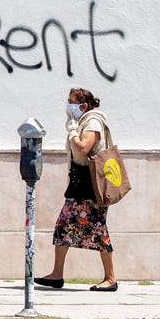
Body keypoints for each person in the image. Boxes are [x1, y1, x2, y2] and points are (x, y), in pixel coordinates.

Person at [34, 87, 118, 292]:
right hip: (79, 184)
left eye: (72, 102)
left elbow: (83, 149)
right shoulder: (83, 121)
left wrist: (72, 131)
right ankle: (57, 274)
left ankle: (110, 278)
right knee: (63, 227)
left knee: (98, 230)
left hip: (90, 187)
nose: (68, 105)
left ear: (84, 106)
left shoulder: (92, 121)